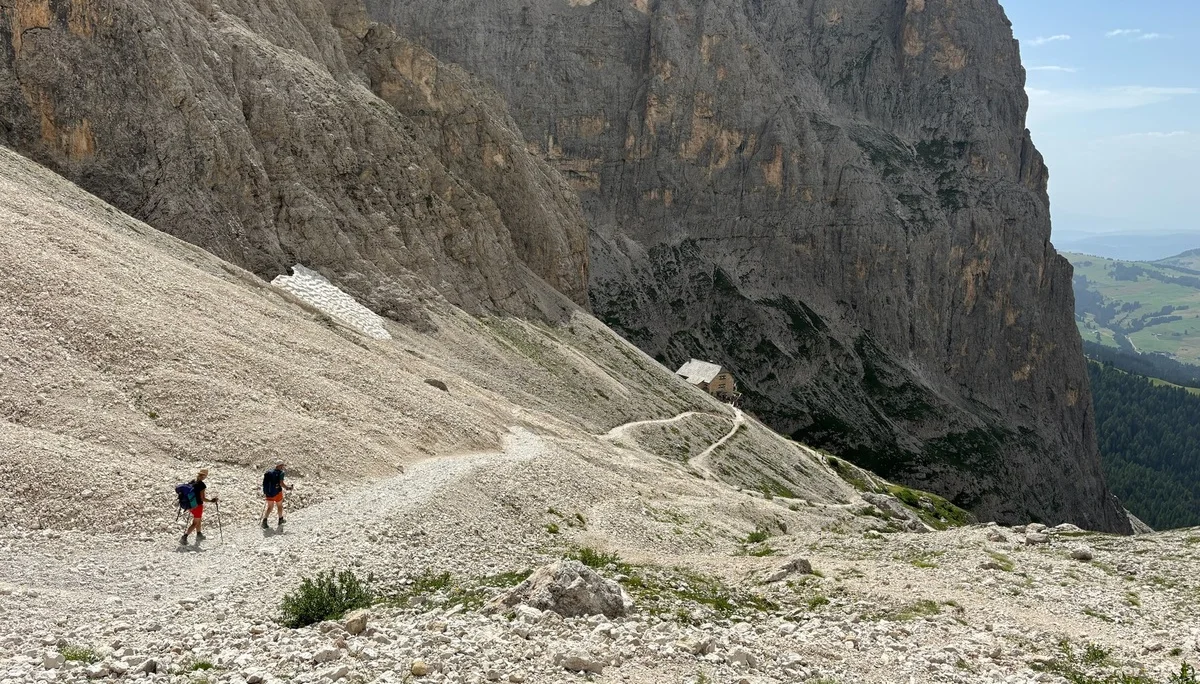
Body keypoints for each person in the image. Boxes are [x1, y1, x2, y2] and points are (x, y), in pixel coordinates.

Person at [180, 468, 218, 546]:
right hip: (198, 506)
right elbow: (202, 498)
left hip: (191, 506)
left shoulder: (193, 482)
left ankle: (199, 534)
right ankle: (184, 537)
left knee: (199, 519)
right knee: (195, 523)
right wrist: (211, 501)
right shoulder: (202, 485)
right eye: (206, 475)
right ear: (204, 476)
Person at [261, 460, 294, 528]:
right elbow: (281, 483)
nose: (283, 467)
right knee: (279, 506)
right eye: (282, 465)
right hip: (277, 493)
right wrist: (287, 488)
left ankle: (264, 520)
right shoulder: (281, 473)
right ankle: (280, 519)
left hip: (269, 493)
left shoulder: (269, 472)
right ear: (279, 465)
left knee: (270, 507)